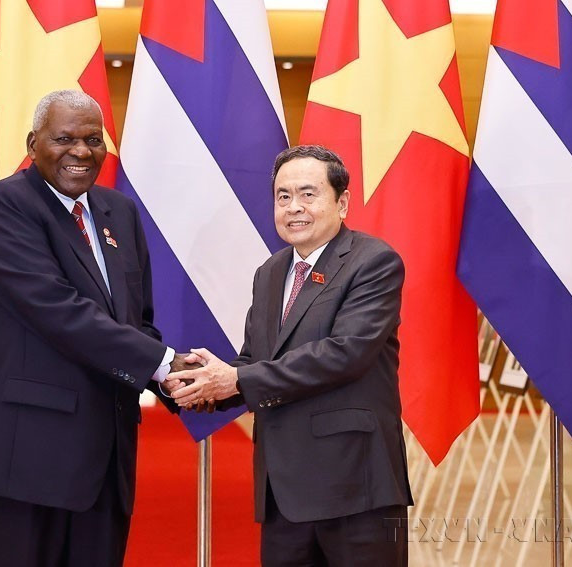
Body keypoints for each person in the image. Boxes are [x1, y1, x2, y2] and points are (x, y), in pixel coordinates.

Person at [0, 90, 190, 567]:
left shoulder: (119, 212)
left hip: (106, 460)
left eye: (93, 139)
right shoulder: (8, 204)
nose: (81, 152)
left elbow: (136, 321)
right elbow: (56, 309)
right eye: (64, 138)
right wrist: (166, 366)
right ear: (33, 143)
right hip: (26, 460)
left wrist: (188, 383)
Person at [168, 146, 413, 566]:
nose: (294, 207)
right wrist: (200, 381)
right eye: (283, 196)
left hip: (353, 485)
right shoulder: (271, 272)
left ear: (342, 202)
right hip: (282, 490)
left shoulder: (373, 262)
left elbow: (345, 353)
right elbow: (256, 360)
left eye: (308, 194)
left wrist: (238, 380)